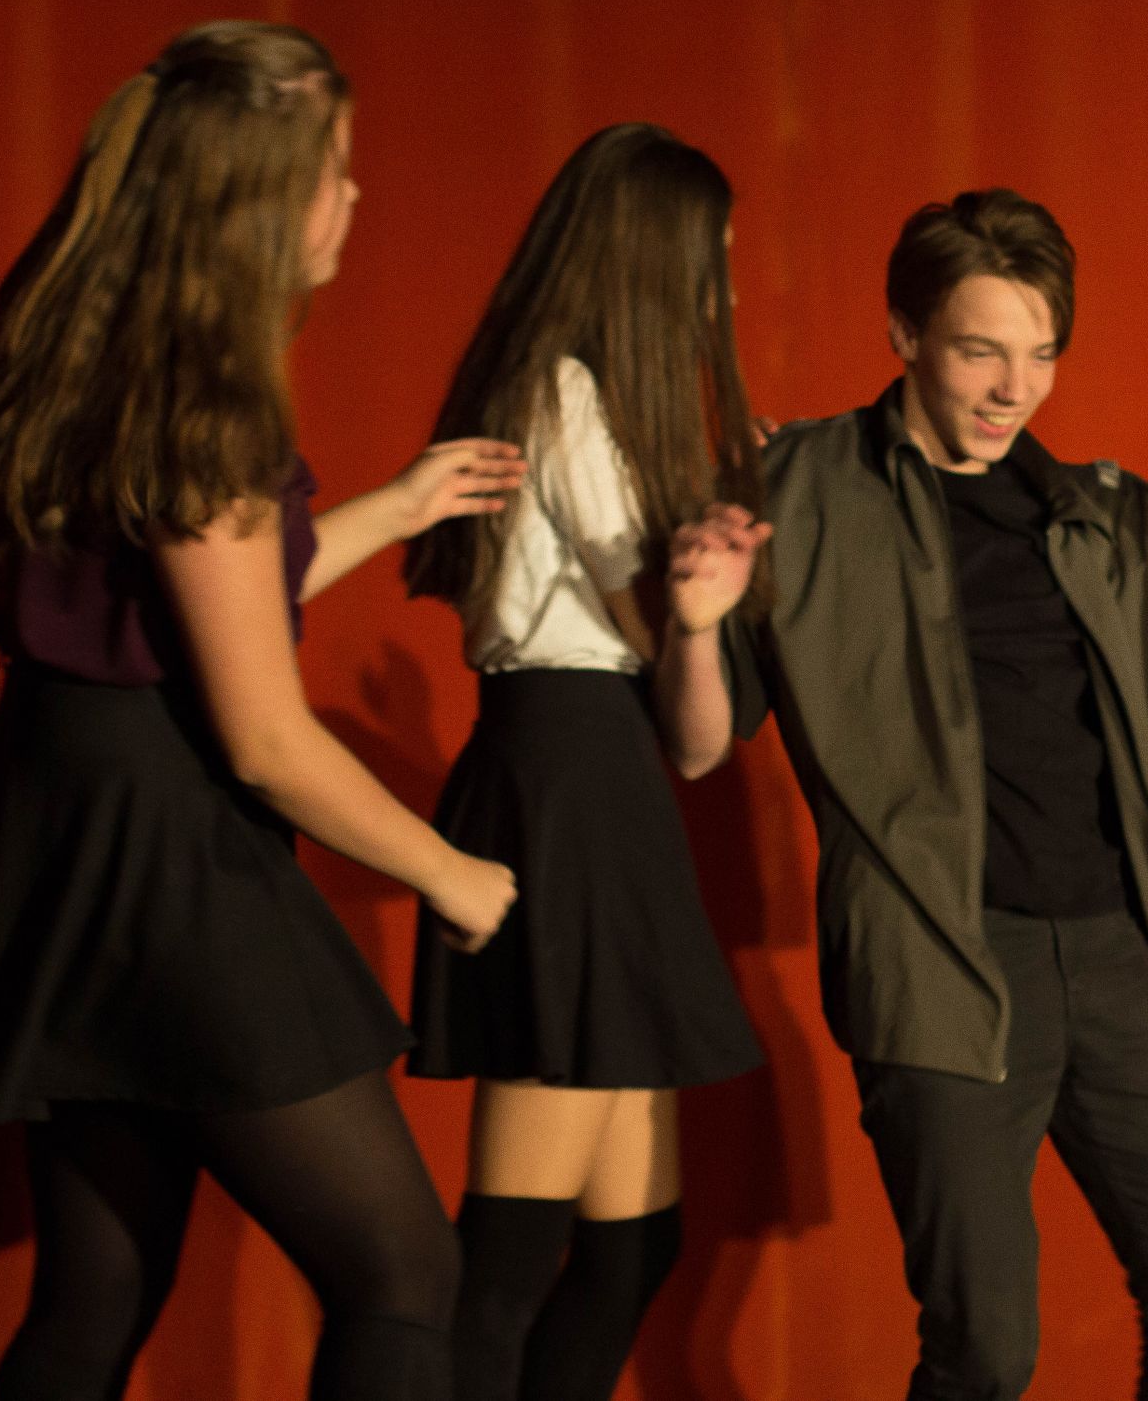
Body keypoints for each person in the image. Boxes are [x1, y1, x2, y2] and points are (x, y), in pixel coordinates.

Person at [653, 188, 1148, 1400]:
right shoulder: (797, 488)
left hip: (1117, 953)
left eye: (1041, 354)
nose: (1013, 388)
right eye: (980, 351)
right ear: (903, 332)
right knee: (985, 1349)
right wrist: (692, 626)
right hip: (938, 962)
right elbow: (694, 745)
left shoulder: (1100, 512)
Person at [0, 21, 524, 1401]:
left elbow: (191, 602)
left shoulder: (92, 356)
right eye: (335, 168)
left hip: (60, 826)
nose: (354, 195)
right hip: (166, 856)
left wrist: (395, 506)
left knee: (96, 1291)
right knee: (404, 1276)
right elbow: (262, 732)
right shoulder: (206, 409)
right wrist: (447, 870)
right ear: (260, 199)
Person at [401, 123, 767, 1401]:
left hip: (594, 770)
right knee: (507, 1256)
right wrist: (715, 569)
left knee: (630, 1244)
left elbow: (686, 711)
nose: (721, 297)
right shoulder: (562, 396)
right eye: (711, 264)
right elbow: (649, 629)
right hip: (567, 778)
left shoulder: (574, 400)